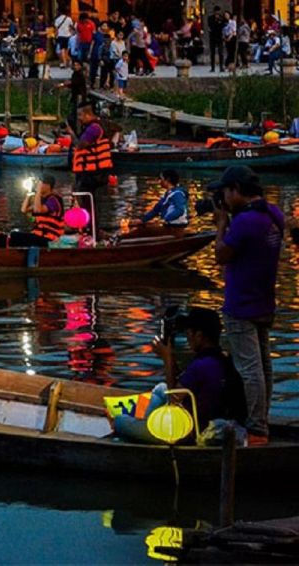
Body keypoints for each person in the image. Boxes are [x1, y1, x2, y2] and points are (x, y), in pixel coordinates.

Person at [211, 166, 285, 446]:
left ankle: (256, 430)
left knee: (250, 370)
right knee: (264, 366)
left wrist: (221, 224)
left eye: (226, 192)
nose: (225, 198)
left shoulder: (244, 222)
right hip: (265, 301)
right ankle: (261, 421)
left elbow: (220, 255)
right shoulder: (273, 214)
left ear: (237, 190)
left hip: (241, 305)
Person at [116, 308, 247, 443]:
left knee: (119, 421)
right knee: (161, 388)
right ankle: (146, 423)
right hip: (210, 419)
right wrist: (170, 356)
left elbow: (173, 399)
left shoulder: (200, 365)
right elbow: (182, 382)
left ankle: (148, 427)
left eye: (189, 333)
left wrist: (167, 358)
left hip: (189, 432)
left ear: (199, 336)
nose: (187, 338)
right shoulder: (222, 358)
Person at [68, 101, 113, 194]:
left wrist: (70, 132)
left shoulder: (94, 128)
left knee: (86, 199)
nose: (79, 119)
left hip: (93, 175)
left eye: (80, 115)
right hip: (95, 173)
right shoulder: (98, 125)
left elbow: (80, 145)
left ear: (88, 114)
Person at [208, 6, 225, 72]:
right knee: (212, 53)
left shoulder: (221, 18)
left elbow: (222, 26)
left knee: (221, 53)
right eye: (216, 11)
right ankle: (213, 67)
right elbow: (211, 27)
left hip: (219, 37)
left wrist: (219, 21)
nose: (217, 13)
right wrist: (216, 22)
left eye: (218, 12)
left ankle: (221, 67)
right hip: (212, 37)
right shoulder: (210, 18)